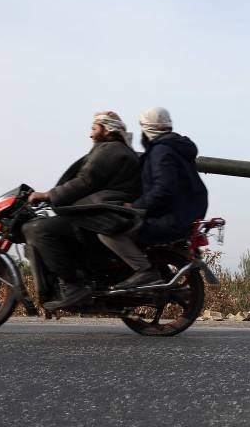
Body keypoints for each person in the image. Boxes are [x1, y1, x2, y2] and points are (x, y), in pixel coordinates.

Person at [24, 111, 141, 310]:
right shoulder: (116, 150)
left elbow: (84, 181)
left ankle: (73, 286)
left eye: (94, 129)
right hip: (100, 211)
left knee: (37, 229)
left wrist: (48, 195)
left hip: (102, 216)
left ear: (108, 129)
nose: (90, 134)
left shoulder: (110, 150)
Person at [98, 106, 208, 289]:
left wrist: (135, 206)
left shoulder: (161, 151)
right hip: (182, 216)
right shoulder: (175, 147)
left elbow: (163, 189)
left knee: (109, 230)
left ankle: (144, 272)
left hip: (169, 220)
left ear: (148, 129)